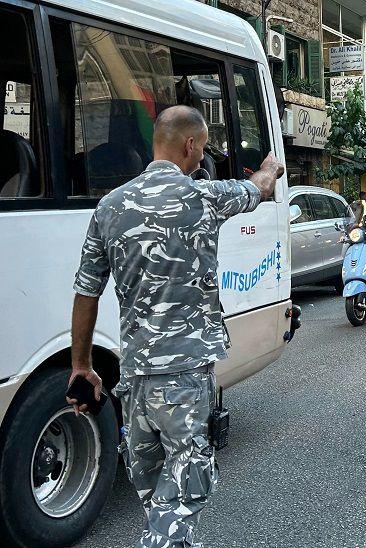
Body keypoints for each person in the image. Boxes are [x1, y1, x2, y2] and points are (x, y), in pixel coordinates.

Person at [68, 105, 282, 548]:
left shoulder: (110, 207)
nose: (201, 157)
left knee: (153, 490)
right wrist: (269, 168)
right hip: (184, 378)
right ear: (190, 146)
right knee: (186, 484)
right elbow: (259, 189)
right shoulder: (204, 197)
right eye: (202, 149)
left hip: (135, 379)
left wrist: (81, 365)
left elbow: (86, 291)